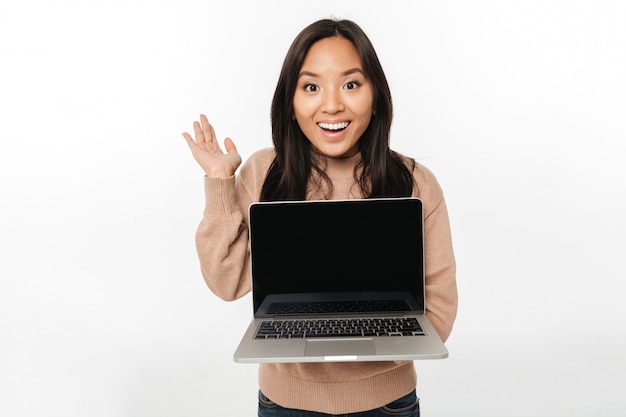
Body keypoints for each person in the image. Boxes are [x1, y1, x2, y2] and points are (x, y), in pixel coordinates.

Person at [182, 18, 457, 417]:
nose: (331, 105)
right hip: (285, 404)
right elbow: (227, 284)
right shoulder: (263, 173)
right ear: (290, 103)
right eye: (311, 87)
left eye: (350, 84)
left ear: (375, 96)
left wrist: (360, 340)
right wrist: (220, 181)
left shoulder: (415, 182)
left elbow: (440, 311)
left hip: (388, 404)